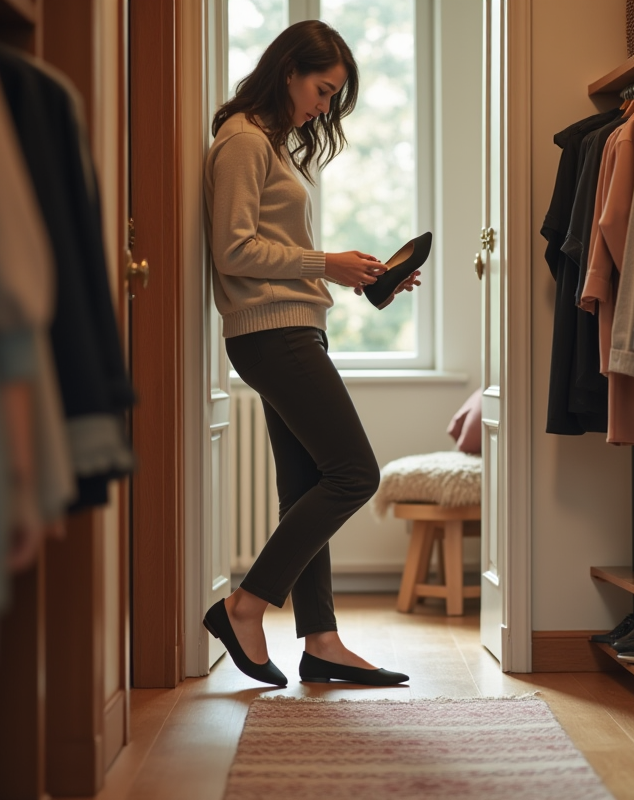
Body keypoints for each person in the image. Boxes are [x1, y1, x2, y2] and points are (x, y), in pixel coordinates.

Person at [201, 20, 419, 687]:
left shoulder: (267, 143)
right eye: (322, 91)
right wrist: (327, 263)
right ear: (289, 69)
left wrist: (356, 276)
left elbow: (269, 251)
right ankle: (244, 606)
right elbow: (233, 248)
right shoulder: (241, 139)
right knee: (355, 474)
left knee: (305, 487)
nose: (323, 108)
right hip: (271, 334)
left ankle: (321, 641)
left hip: (289, 327)